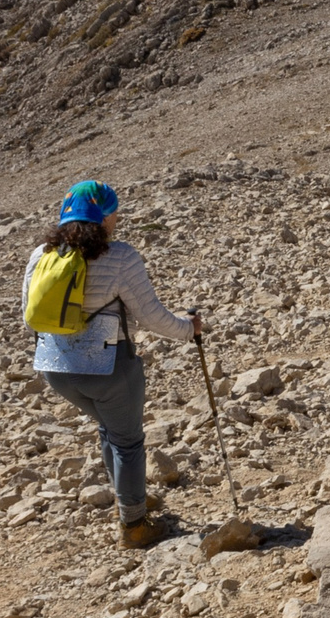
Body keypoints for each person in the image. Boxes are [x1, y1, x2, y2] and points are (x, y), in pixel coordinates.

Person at [22, 180, 202, 547]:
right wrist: (189, 330)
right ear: (104, 217)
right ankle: (134, 526)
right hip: (109, 368)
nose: (118, 220)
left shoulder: (41, 254)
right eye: (115, 212)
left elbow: (28, 317)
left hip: (56, 368)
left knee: (109, 429)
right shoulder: (119, 256)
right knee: (128, 442)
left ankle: (128, 497)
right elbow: (150, 316)